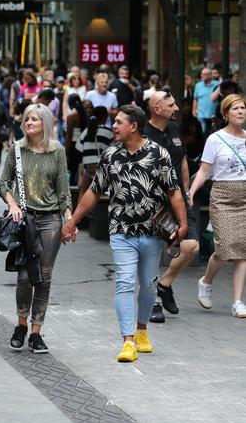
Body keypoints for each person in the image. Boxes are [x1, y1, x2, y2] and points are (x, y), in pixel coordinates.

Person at [62, 105, 187, 362]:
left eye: (119, 122)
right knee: (125, 282)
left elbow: (174, 190)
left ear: (135, 126)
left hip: (152, 232)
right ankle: (127, 340)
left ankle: (142, 330)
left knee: (149, 285)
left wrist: (182, 224)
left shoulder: (158, 153)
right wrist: (73, 220)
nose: (114, 126)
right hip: (120, 230)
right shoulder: (110, 155)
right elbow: (94, 191)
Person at [0, 104, 72, 354]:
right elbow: (3, 183)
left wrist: (69, 220)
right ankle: (20, 325)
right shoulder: (17, 150)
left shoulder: (57, 151)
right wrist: (12, 204)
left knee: (43, 277)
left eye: (35, 119)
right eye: (27, 119)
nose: (29, 123)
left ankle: (36, 332)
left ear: (45, 124)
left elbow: (64, 192)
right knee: (23, 277)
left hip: (51, 221)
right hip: (25, 221)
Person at [144, 91, 200, 323]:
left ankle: (164, 285)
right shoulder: (143, 134)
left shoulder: (175, 129)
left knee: (191, 247)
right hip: (156, 203)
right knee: (154, 252)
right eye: (171, 104)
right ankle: (153, 301)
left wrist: (186, 191)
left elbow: (183, 161)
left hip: (179, 199)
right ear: (157, 108)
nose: (176, 108)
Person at [188, 94, 246, 318]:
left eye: (242, 108)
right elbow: (204, 170)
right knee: (223, 249)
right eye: (235, 109)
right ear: (226, 114)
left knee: (242, 251)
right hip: (222, 195)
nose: (240, 112)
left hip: (244, 195)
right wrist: (191, 192)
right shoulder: (215, 139)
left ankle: (237, 302)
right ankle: (206, 281)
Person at [64, 94, 87, 186]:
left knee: (72, 169)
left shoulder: (71, 115)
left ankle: (72, 188)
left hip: (73, 145)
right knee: (79, 167)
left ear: (70, 103)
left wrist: (66, 151)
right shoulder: (83, 113)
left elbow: (69, 135)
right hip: (82, 143)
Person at [193, 68, 220, 136]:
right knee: (202, 135)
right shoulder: (198, 85)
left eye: (204, 74)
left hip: (213, 115)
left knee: (212, 135)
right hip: (201, 115)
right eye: (201, 74)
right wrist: (194, 110)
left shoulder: (217, 84)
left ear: (210, 75)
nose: (202, 76)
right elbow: (195, 99)